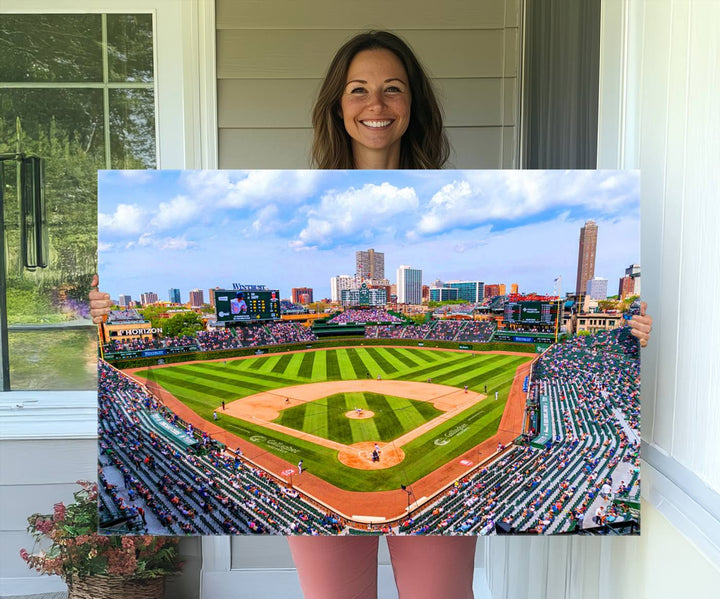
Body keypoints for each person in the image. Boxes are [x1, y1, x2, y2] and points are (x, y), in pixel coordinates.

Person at [89, 29, 654, 599]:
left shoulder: (455, 190)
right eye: (358, 90)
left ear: (413, 105)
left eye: (393, 89)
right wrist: (102, 313)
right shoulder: (301, 191)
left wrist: (632, 334)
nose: (376, 105)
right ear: (338, 104)